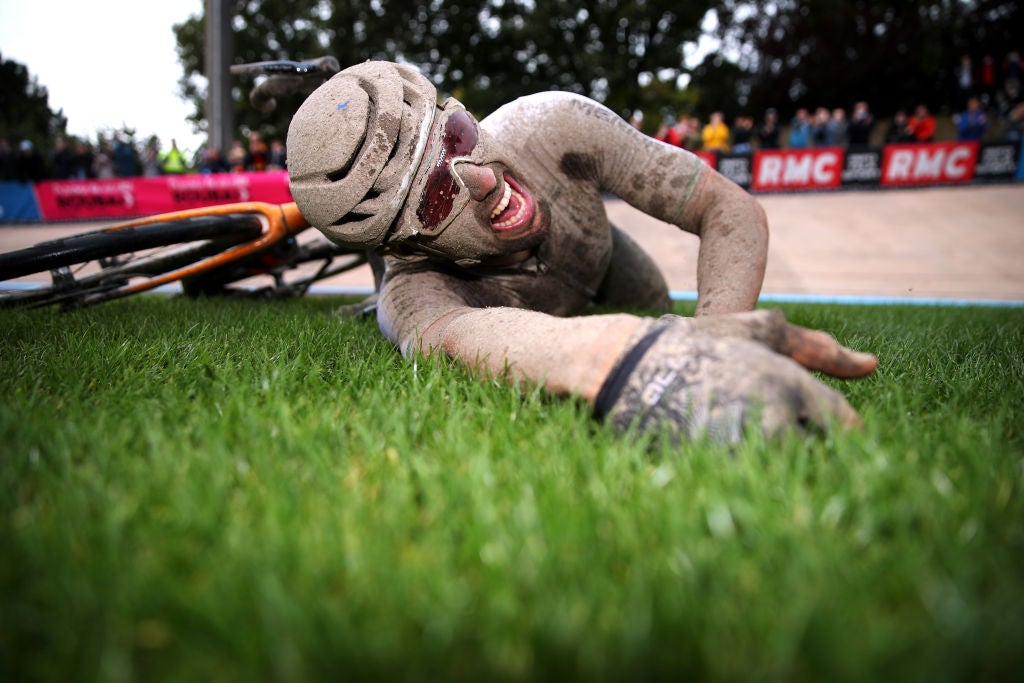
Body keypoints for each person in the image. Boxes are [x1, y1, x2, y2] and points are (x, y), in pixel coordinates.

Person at [285, 61, 877, 443]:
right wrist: (626, 358)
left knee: (656, 301)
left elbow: (728, 208)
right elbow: (472, 340)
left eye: (459, 136)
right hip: (533, 302)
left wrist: (716, 331)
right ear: (405, 247)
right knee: (646, 320)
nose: (484, 179)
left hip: (605, 258)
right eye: (440, 197)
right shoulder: (414, 290)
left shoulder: (554, 122)